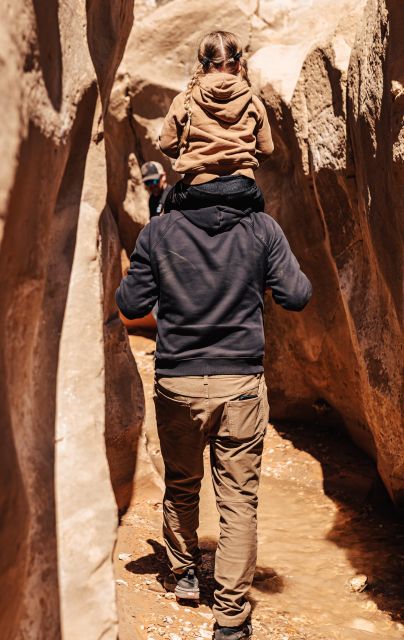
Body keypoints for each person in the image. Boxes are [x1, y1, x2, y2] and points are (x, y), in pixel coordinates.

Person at [115, 183, 312, 637]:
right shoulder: (262, 228)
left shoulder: (159, 231)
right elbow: (297, 295)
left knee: (182, 484)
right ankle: (229, 619)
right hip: (240, 384)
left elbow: (130, 304)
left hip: (178, 382)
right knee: (239, 500)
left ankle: (184, 574)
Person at [159, 30, 274, 215]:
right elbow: (267, 149)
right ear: (238, 64)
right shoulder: (253, 102)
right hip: (243, 188)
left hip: (196, 189)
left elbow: (166, 144)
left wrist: (191, 154)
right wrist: (239, 159)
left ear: (203, 64)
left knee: (165, 215)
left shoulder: (185, 100)